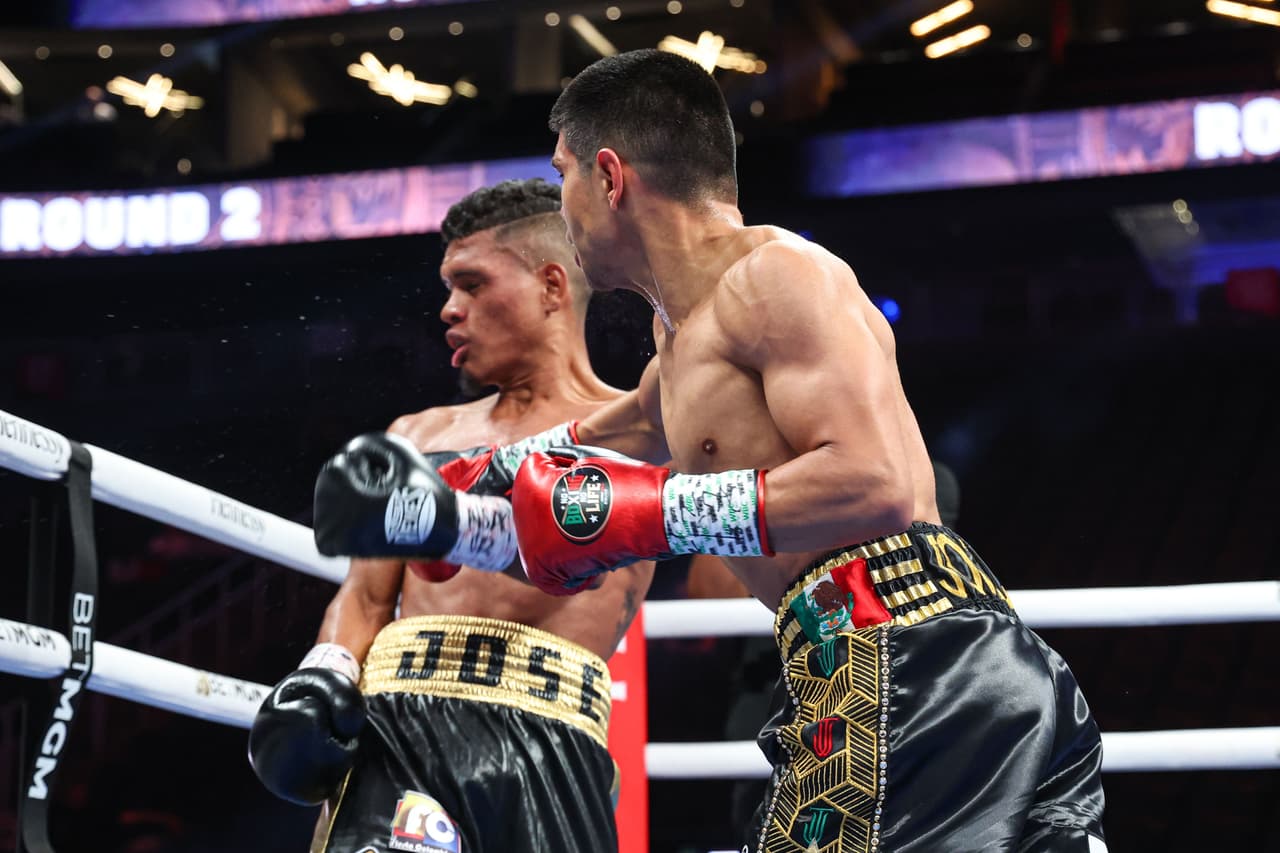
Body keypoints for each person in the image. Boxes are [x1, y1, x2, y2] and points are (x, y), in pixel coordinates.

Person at [313, 51, 1106, 852]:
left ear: (611, 177)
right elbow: (601, 442)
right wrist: (447, 500)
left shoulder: (778, 276)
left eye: (565, 175)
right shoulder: (682, 339)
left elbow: (883, 484)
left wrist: (653, 516)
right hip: (889, 658)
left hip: (906, 658)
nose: (565, 203)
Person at [249, 178, 654, 853]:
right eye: (447, 288)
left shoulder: (639, 430)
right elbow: (366, 598)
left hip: (549, 737)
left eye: (471, 284)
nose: (448, 309)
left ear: (552, 286)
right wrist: (324, 674)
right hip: (396, 730)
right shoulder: (417, 434)